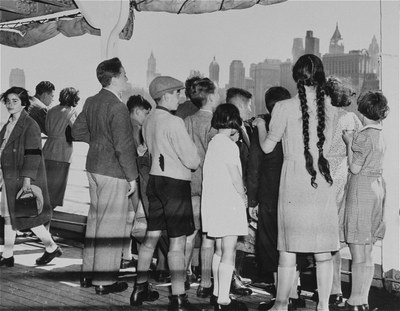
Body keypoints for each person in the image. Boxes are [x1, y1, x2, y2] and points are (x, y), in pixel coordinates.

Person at [254, 54, 340, 311]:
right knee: (323, 251)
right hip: (322, 180)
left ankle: (280, 305)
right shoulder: (332, 108)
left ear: (296, 78)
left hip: (293, 180)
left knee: (288, 249)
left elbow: (268, 148)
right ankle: (323, 306)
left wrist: (260, 127)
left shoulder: (283, 108)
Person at [130, 76, 200, 311]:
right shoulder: (174, 122)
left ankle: (139, 288)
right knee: (177, 242)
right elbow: (192, 160)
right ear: (167, 95)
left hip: (155, 181)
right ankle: (178, 299)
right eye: (178, 93)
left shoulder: (148, 120)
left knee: (151, 237)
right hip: (175, 184)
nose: (181, 98)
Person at [72, 57, 138, 295]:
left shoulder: (91, 101)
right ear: (116, 77)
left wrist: (99, 142)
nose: (127, 79)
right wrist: (132, 177)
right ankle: (105, 281)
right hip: (112, 171)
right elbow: (123, 146)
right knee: (110, 226)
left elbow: (76, 130)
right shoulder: (118, 106)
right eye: (125, 75)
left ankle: (88, 275)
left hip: (93, 167)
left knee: (95, 222)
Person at [247, 87, 307, 311]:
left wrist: (252, 201)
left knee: (272, 243)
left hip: (270, 194)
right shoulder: (299, 124)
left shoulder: (264, 127)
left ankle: (281, 296)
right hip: (296, 190)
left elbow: (254, 168)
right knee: (294, 241)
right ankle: (294, 292)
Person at [0, 87, 62, 268]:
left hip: (21, 178)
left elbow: (33, 155)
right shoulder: (9, 123)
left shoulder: (30, 125)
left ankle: (51, 247)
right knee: (10, 216)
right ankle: (9, 255)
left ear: (24, 103)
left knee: (24, 216)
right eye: (8, 101)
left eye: (15, 101)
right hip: (9, 176)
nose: (10, 104)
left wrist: (27, 181)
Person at [340, 91, 388, 311]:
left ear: (362, 111)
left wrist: (349, 141)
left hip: (362, 190)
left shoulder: (363, 136)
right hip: (377, 189)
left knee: (357, 252)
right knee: (367, 251)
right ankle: (364, 301)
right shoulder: (381, 134)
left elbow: (354, 167)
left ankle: (354, 302)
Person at [201, 103, 249, 311]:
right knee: (229, 250)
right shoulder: (229, 146)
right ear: (232, 122)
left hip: (213, 202)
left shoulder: (214, 143)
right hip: (228, 202)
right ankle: (224, 300)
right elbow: (235, 177)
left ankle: (216, 293)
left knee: (219, 249)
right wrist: (244, 195)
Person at [323, 77, 362, 308]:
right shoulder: (352, 118)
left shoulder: (323, 118)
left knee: (325, 239)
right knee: (336, 238)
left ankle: (329, 288)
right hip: (343, 175)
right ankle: (336, 290)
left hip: (323, 175)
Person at [183, 78, 219, 296]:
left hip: (190, 183)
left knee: (189, 234)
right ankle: (205, 283)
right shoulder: (215, 122)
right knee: (208, 237)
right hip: (210, 185)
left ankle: (184, 275)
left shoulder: (187, 120)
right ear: (212, 97)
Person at [226, 87, 254, 296]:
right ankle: (231, 280)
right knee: (233, 239)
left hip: (242, 192)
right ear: (239, 106)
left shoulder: (245, 128)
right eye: (248, 105)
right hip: (234, 193)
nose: (251, 109)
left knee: (241, 237)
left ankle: (236, 274)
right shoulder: (231, 133)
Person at [121, 94, 152, 269]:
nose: (147, 118)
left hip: (123, 178)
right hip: (134, 179)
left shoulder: (123, 124)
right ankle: (130, 257)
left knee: (127, 219)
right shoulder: (137, 128)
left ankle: (126, 255)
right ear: (138, 111)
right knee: (135, 218)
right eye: (146, 113)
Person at [42, 87, 80, 209]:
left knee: (44, 190)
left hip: (47, 150)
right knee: (55, 193)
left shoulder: (51, 110)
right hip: (62, 153)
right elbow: (76, 131)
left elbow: (47, 129)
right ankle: (45, 223)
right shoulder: (71, 111)